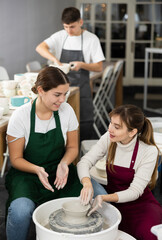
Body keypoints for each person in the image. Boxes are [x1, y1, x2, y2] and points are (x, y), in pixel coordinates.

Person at [5, 66, 83, 240]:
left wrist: (64, 163)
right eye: (57, 95)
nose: (62, 100)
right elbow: (16, 159)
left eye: (65, 94)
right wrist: (37, 170)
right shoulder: (21, 116)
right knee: (21, 211)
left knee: (96, 195)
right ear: (40, 90)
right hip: (27, 175)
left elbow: (72, 148)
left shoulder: (67, 111)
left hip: (60, 172)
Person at [77, 104, 162, 240]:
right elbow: (84, 162)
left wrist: (104, 197)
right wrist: (87, 183)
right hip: (113, 205)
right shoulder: (109, 138)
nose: (110, 129)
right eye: (110, 123)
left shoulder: (148, 151)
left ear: (132, 132)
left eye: (117, 127)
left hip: (140, 206)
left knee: (150, 235)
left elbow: (135, 191)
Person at [36, 7, 105, 141]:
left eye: (72, 27)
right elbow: (40, 47)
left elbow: (99, 67)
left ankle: (81, 153)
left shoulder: (91, 39)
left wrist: (82, 65)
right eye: (66, 27)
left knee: (83, 122)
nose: (69, 31)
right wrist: (55, 59)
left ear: (81, 22)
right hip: (58, 89)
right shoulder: (60, 36)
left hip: (81, 88)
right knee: (58, 124)